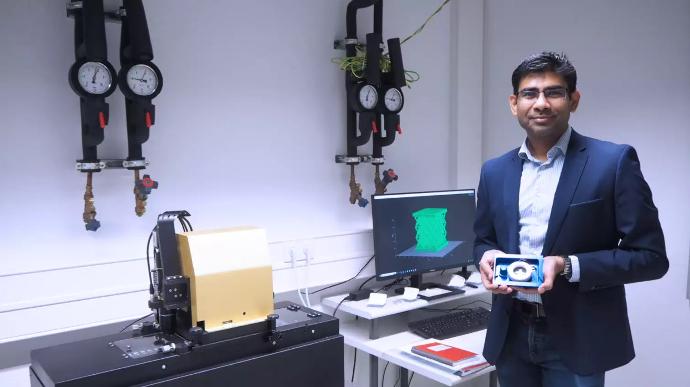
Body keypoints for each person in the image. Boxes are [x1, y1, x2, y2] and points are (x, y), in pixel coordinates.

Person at [473, 51, 668, 387]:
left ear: (573, 100)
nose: (541, 103)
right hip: (512, 334)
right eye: (530, 94)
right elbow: (483, 240)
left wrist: (567, 266)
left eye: (554, 92)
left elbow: (651, 259)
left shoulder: (613, 162)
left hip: (578, 338)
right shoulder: (495, 171)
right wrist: (486, 257)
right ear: (513, 103)